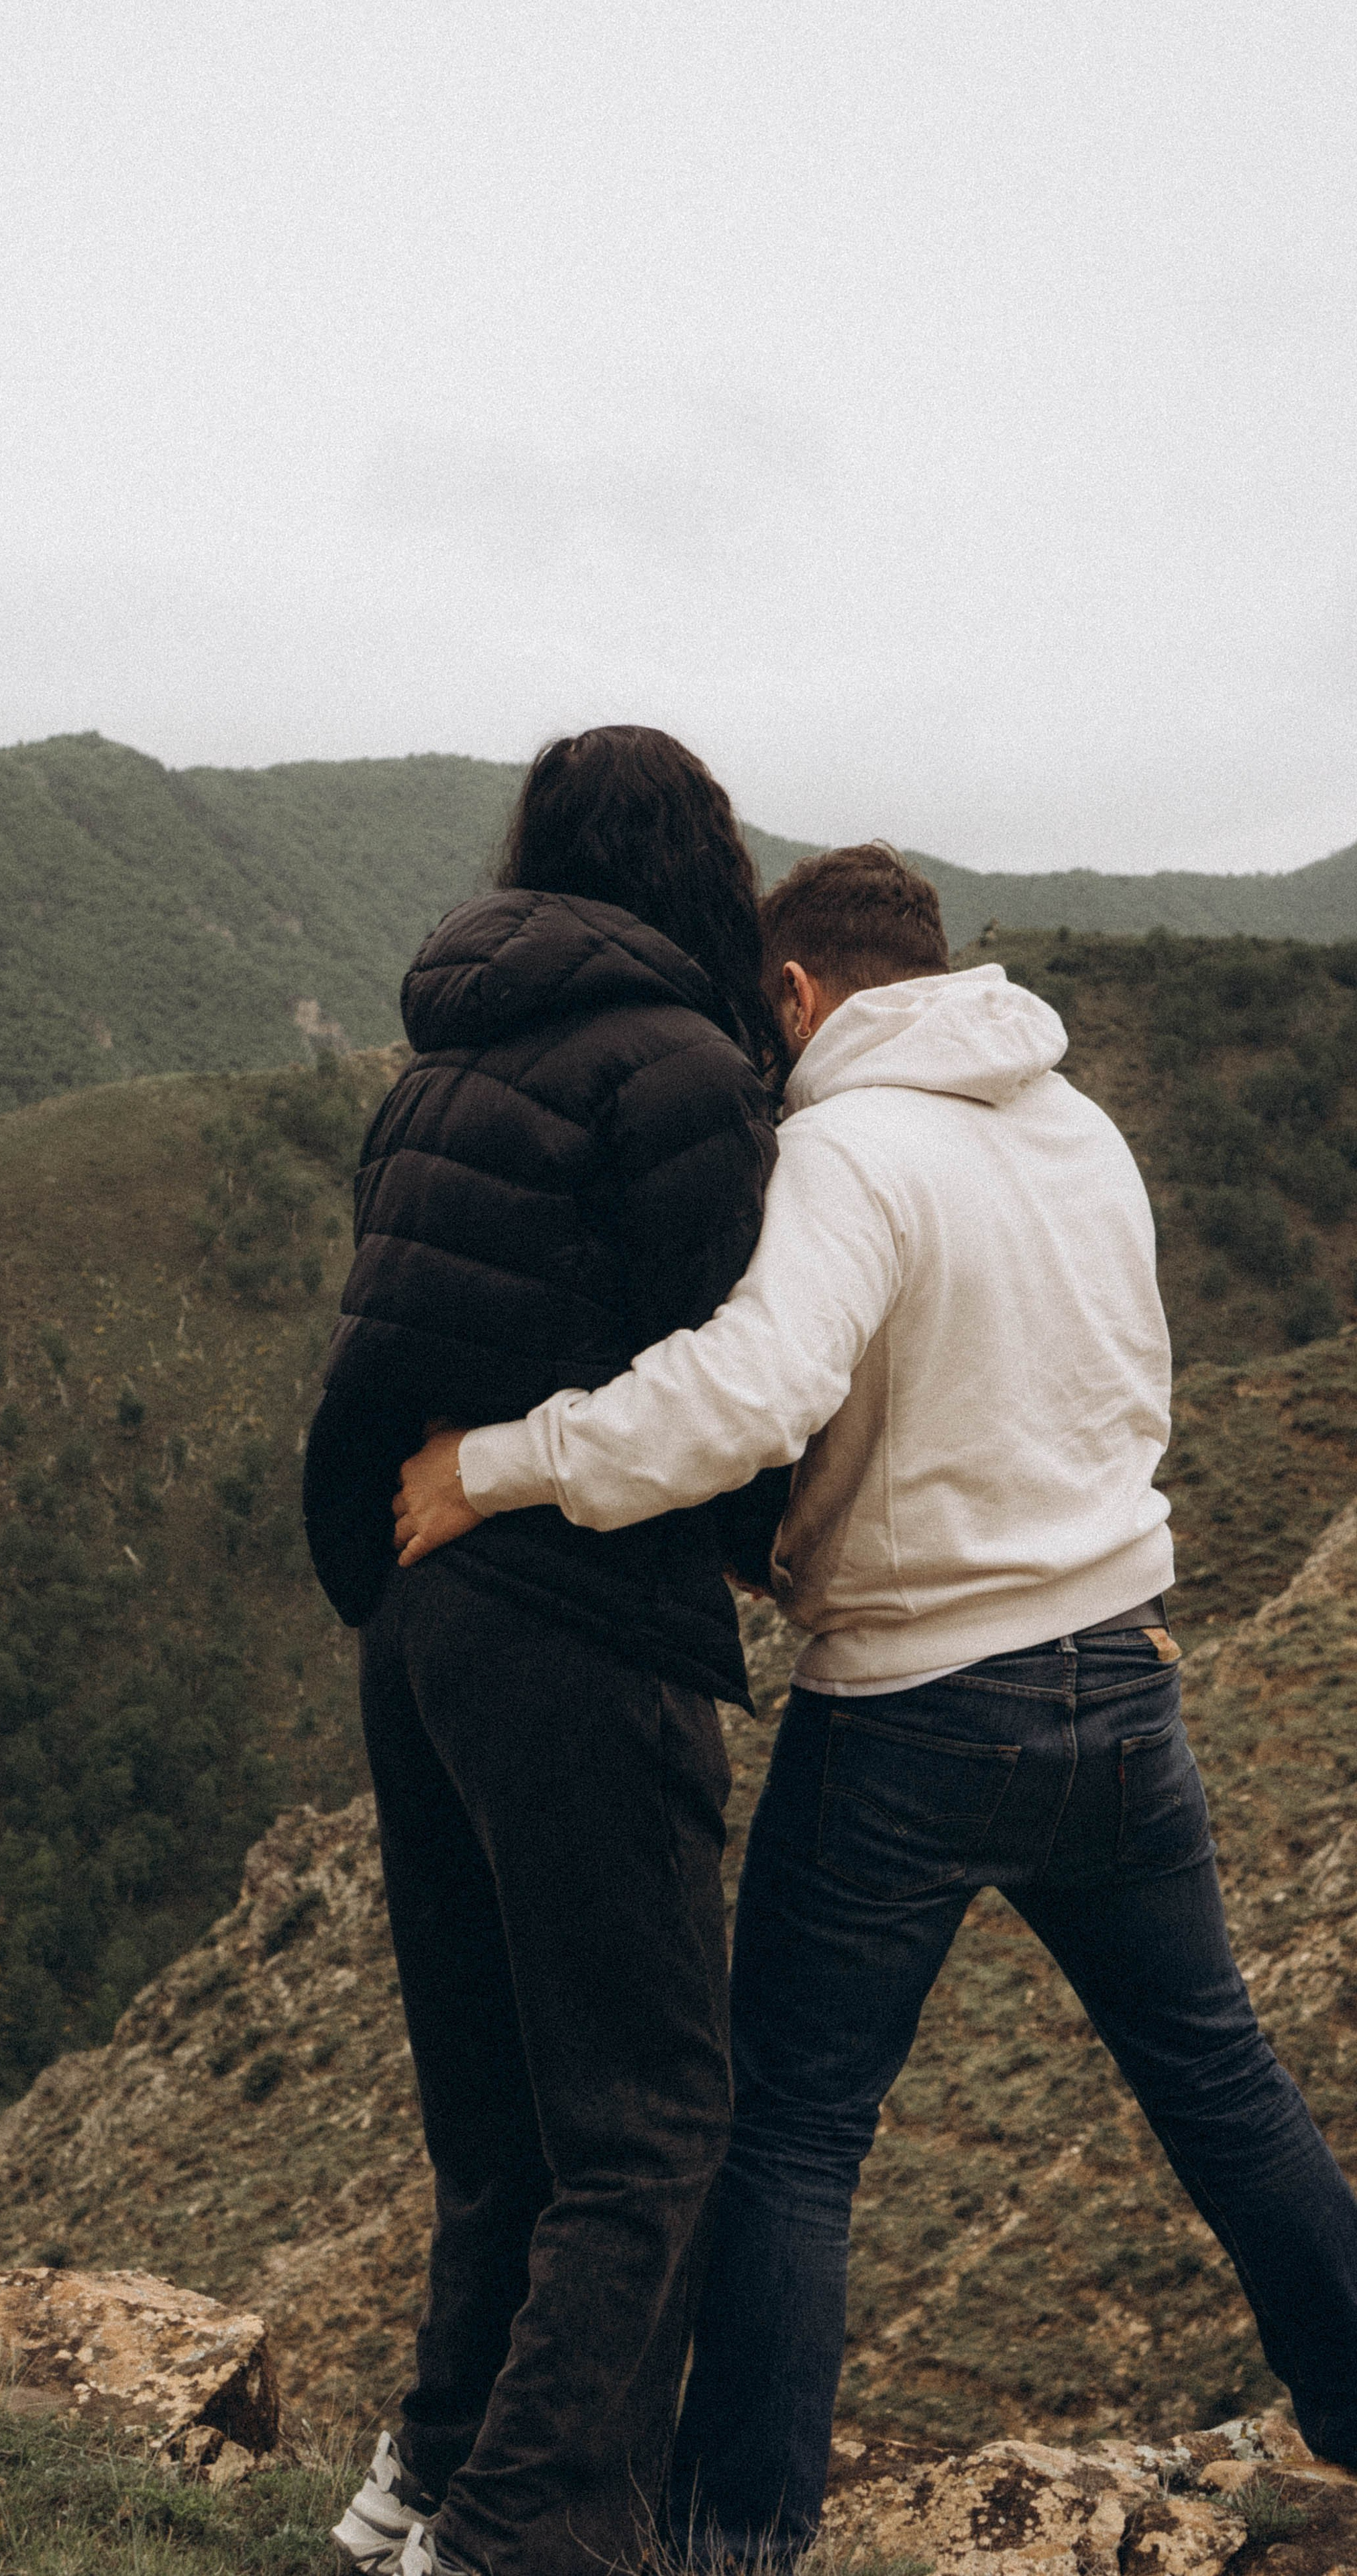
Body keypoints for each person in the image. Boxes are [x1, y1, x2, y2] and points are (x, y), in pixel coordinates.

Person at [394, 843, 1357, 2567]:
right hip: (1123, 1681)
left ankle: (731, 2545)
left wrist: (503, 1462)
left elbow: (747, 1394)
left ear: (793, 995)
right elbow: (1101, 1392)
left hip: (916, 1713)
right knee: (1215, 2078)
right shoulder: (1081, 1129)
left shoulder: (846, 1148)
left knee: (788, 2139)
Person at [303, 727, 793, 2576]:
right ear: (702, 867)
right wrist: (771, 1556)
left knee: (499, 2113)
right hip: (583, 1626)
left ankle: (422, 2479)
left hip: (417, 1620)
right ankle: (523, 2534)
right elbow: (722, 1375)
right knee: (652, 2116)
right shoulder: (676, 1071)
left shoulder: (442, 1065)